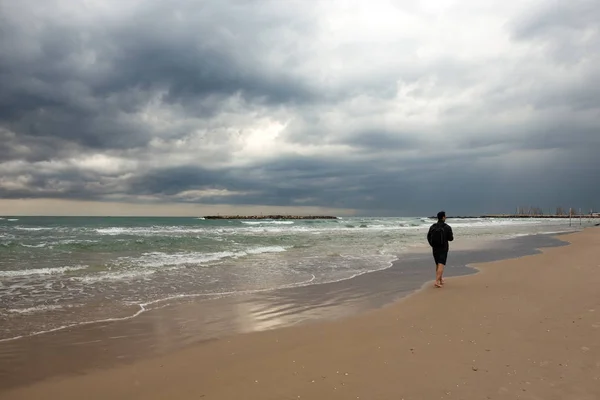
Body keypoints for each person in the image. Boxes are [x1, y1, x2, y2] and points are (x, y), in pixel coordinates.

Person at [427, 211, 454, 288]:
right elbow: (451, 238)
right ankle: (436, 281)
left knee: (437, 264)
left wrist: (432, 244)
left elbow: (428, 237)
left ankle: (440, 279)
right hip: (443, 248)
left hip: (434, 248)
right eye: (445, 216)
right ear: (443, 217)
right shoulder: (447, 227)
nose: (445, 217)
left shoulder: (432, 226)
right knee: (441, 264)